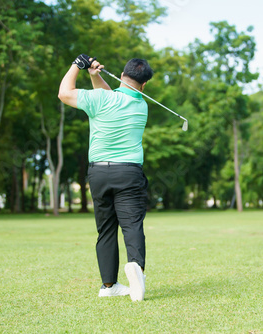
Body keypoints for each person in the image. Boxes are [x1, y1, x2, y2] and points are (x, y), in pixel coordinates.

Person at [58, 54, 152, 301]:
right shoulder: (141, 104)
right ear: (143, 86)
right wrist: (95, 76)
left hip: (99, 172)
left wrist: (76, 66)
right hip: (129, 172)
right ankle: (136, 269)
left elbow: (64, 93)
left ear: (122, 75)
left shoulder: (100, 99)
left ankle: (109, 286)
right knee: (131, 225)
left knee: (106, 229)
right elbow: (116, 96)